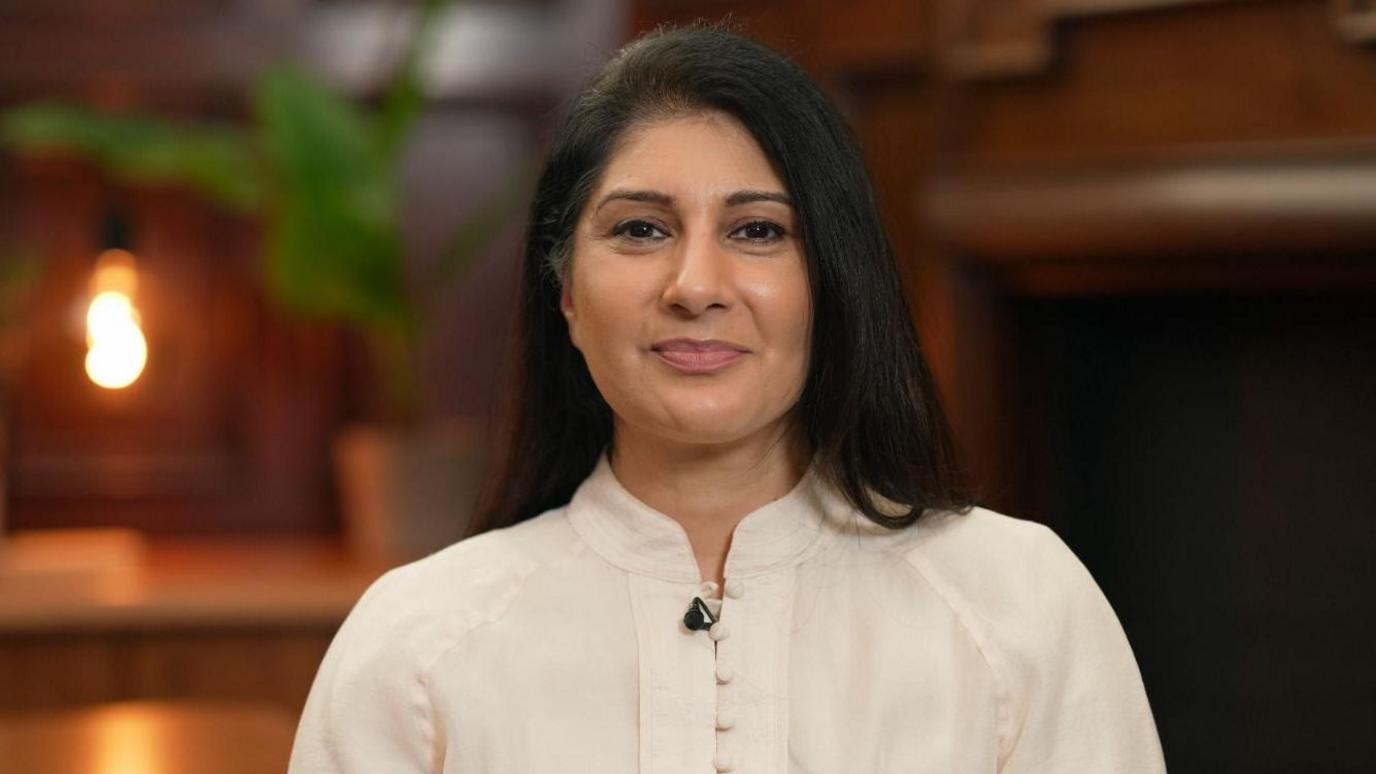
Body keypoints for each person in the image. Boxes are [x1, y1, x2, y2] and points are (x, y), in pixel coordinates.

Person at [288, 22, 1166, 774]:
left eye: (758, 231)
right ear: (564, 292)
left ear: (829, 282)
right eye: (640, 229)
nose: (696, 284)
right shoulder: (416, 645)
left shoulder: (1020, 601)